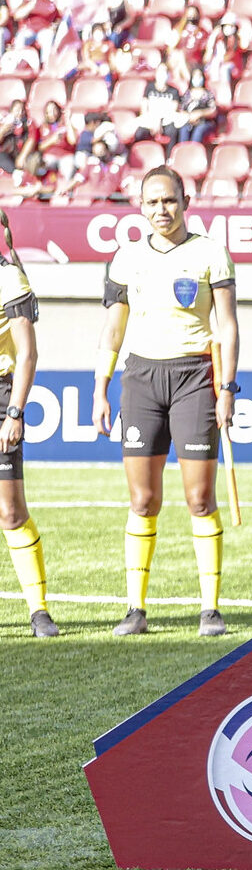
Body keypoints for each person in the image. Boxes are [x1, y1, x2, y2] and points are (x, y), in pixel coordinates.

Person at [91, 168, 240, 638]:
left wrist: (227, 388)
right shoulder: (126, 258)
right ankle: (135, 608)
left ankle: (210, 609)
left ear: (186, 200)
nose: (161, 210)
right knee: (143, 499)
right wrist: (101, 386)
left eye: (169, 201)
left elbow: (229, 325)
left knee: (199, 498)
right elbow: (113, 330)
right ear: (140, 206)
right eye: (152, 202)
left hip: (196, 377)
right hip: (140, 378)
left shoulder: (211, 253)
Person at [0, 230, 57, 636]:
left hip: (2, 395)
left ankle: (39, 611)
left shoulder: (9, 279)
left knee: (10, 511)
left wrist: (14, 412)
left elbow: (27, 354)